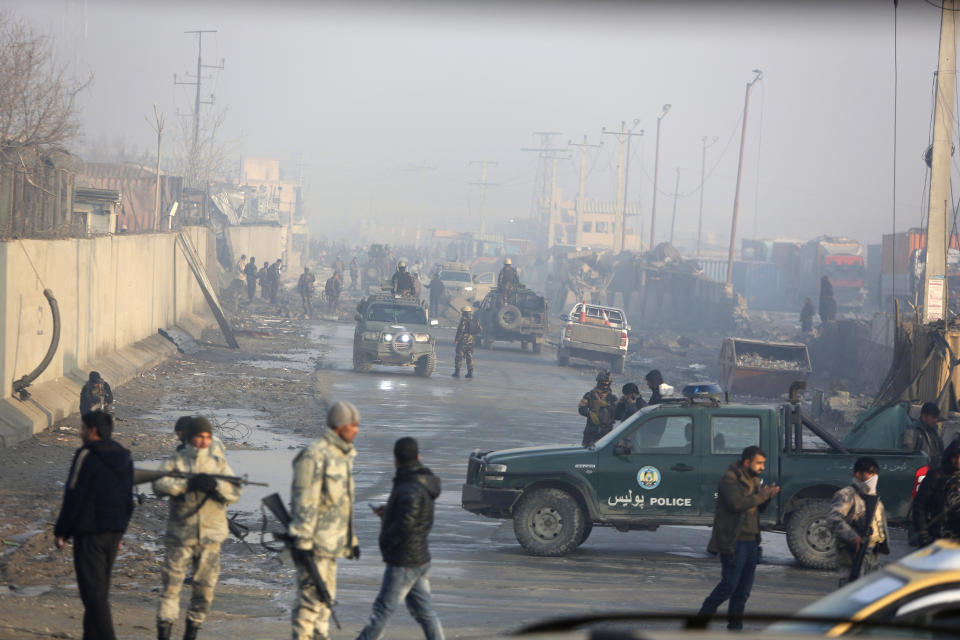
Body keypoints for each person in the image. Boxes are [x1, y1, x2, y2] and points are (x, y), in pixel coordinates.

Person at [153, 417, 241, 640]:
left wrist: (216, 487)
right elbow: (160, 485)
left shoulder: (218, 463)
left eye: (207, 437)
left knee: (204, 591)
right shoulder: (177, 461)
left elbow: (235, 492)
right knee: (171, 589)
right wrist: (187, 484)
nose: (204, 441)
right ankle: (165, 632)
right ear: (191, 438)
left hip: (210, 537)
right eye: (199, 437)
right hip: (180, 535)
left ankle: (192, 632)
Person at [54, 411, 134, 640]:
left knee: (93, 595)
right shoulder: (124, 455)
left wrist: (61, 532)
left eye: (82, 428)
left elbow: (74, 495)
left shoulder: (86, 454)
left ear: (93, 430)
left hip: (90, 534)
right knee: (99, 591)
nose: (80, 432)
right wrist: (121, 533)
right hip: (114, 532)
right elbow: (128, 499)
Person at [356, 438, 444, 640]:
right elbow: (409, 516)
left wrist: (386, 541)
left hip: (405, 560)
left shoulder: (409, 487)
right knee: (425, 613)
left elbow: (406, 525)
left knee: (381, 612)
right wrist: (388, 512)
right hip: (419, 558)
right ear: (418, 457)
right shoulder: (417, 481)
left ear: (395, 460)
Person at [289, 401, 361, 640]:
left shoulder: (341, 456)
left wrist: (351, 540)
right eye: (354, 425)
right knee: (309, 604)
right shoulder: (315, 456)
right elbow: (304, 504)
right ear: (340, 427)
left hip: (331, 546)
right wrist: (302, 544)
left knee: (325, 602)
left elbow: (340, 506)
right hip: (313, 546)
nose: (357, 430)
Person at [698, 446, 779, 630]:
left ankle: (735, 627)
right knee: (729, 586)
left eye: (763, 464)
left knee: (743, 591)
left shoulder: (754, 480)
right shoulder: (730, 480)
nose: (762, 467)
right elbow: (737, 504)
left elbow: (758, 508)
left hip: (751, 541)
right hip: (734, 542)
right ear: (747, 462)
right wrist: (761, 495)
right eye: (759, 463)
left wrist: (767, 497)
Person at [827, 457, 889, 586]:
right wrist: (852, 536)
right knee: (850, 589)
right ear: (858, 474)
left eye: (875, 474)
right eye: (869, 473)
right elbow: (833, 519)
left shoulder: (873, 497)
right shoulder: (847, 494)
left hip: (872, 554)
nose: (873, 477)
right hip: (853, 553)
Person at [912, 439, 960, 546]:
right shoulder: (936, 476)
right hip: (938, 535)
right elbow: (919, 505)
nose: (958, 460)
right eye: (955, 456)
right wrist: (922, 532)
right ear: (949, 457)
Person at [579, 370, 619, 447]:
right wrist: (590, 414)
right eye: (603, 383)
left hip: (607, 431)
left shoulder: (613, 398)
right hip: (591, 431)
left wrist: (608, 406)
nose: (605, 385)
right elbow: (581, 409)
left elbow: (618, 414)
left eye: (607, 383)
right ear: (599, 382)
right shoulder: (589, 395)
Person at [452, 305, 481, 379]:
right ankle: (470, 373)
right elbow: (480, 329)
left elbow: (461, 331)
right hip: (471, 342)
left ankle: (457, 372)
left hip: (462, 342)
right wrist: (472, 335)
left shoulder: (464, 320)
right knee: (469, 357)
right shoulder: (475, 319)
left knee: (459, 357)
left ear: (464, 313)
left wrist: (457, 339)